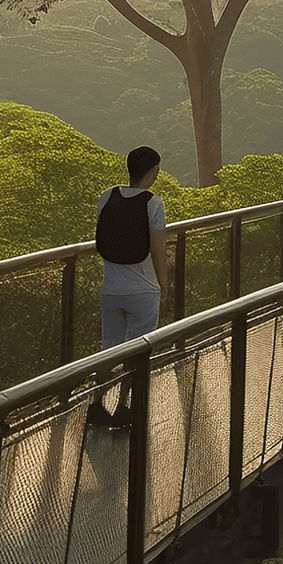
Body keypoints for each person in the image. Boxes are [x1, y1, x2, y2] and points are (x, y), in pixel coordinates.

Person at [90, 145, 170, 430]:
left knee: (108, 349)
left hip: (110, 289)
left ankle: (96, 405)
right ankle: (125, 409)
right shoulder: (153, 203)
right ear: (152, 172)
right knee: (136, 354)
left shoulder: (107, 197)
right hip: (144, 291)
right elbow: (159, 250)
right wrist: (165, 285)